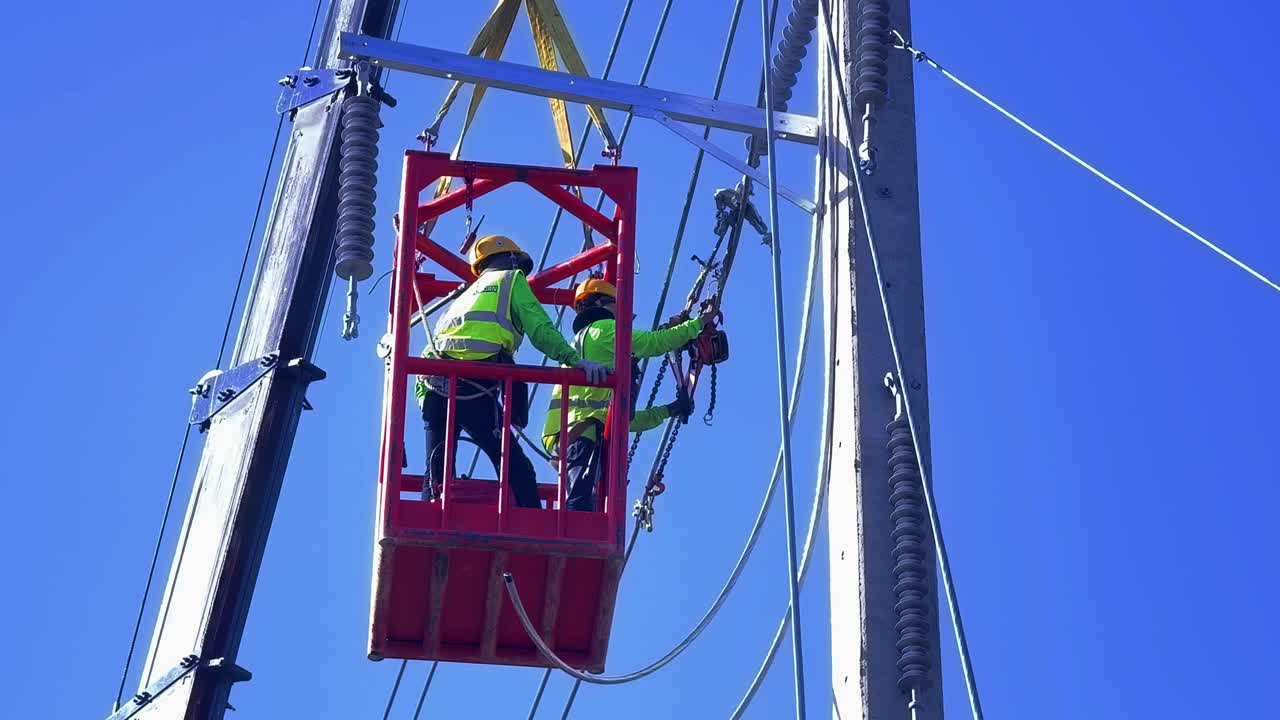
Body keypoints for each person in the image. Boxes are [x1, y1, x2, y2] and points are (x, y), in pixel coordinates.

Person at [416, 235, 609, 508]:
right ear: (512, 259)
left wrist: (426, 402)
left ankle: (425, 521)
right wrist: (576, 361)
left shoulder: (461, 298)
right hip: (472, 388)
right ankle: (536, 529)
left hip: (436, 389)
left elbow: (429, 352)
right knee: (517, 470)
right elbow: (540, 330)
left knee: (435, 473)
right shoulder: (511, 280)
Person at [541, 278, 716, 511]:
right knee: (580, 508)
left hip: (566, 437)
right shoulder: (604, 329)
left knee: (584, 502)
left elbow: (624, 420)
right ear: (603, 304)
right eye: (618, 306)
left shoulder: (579, 345)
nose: (623, 314)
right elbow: (654, 343)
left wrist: (669, 410)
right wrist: (699, 322)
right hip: (581, 435)